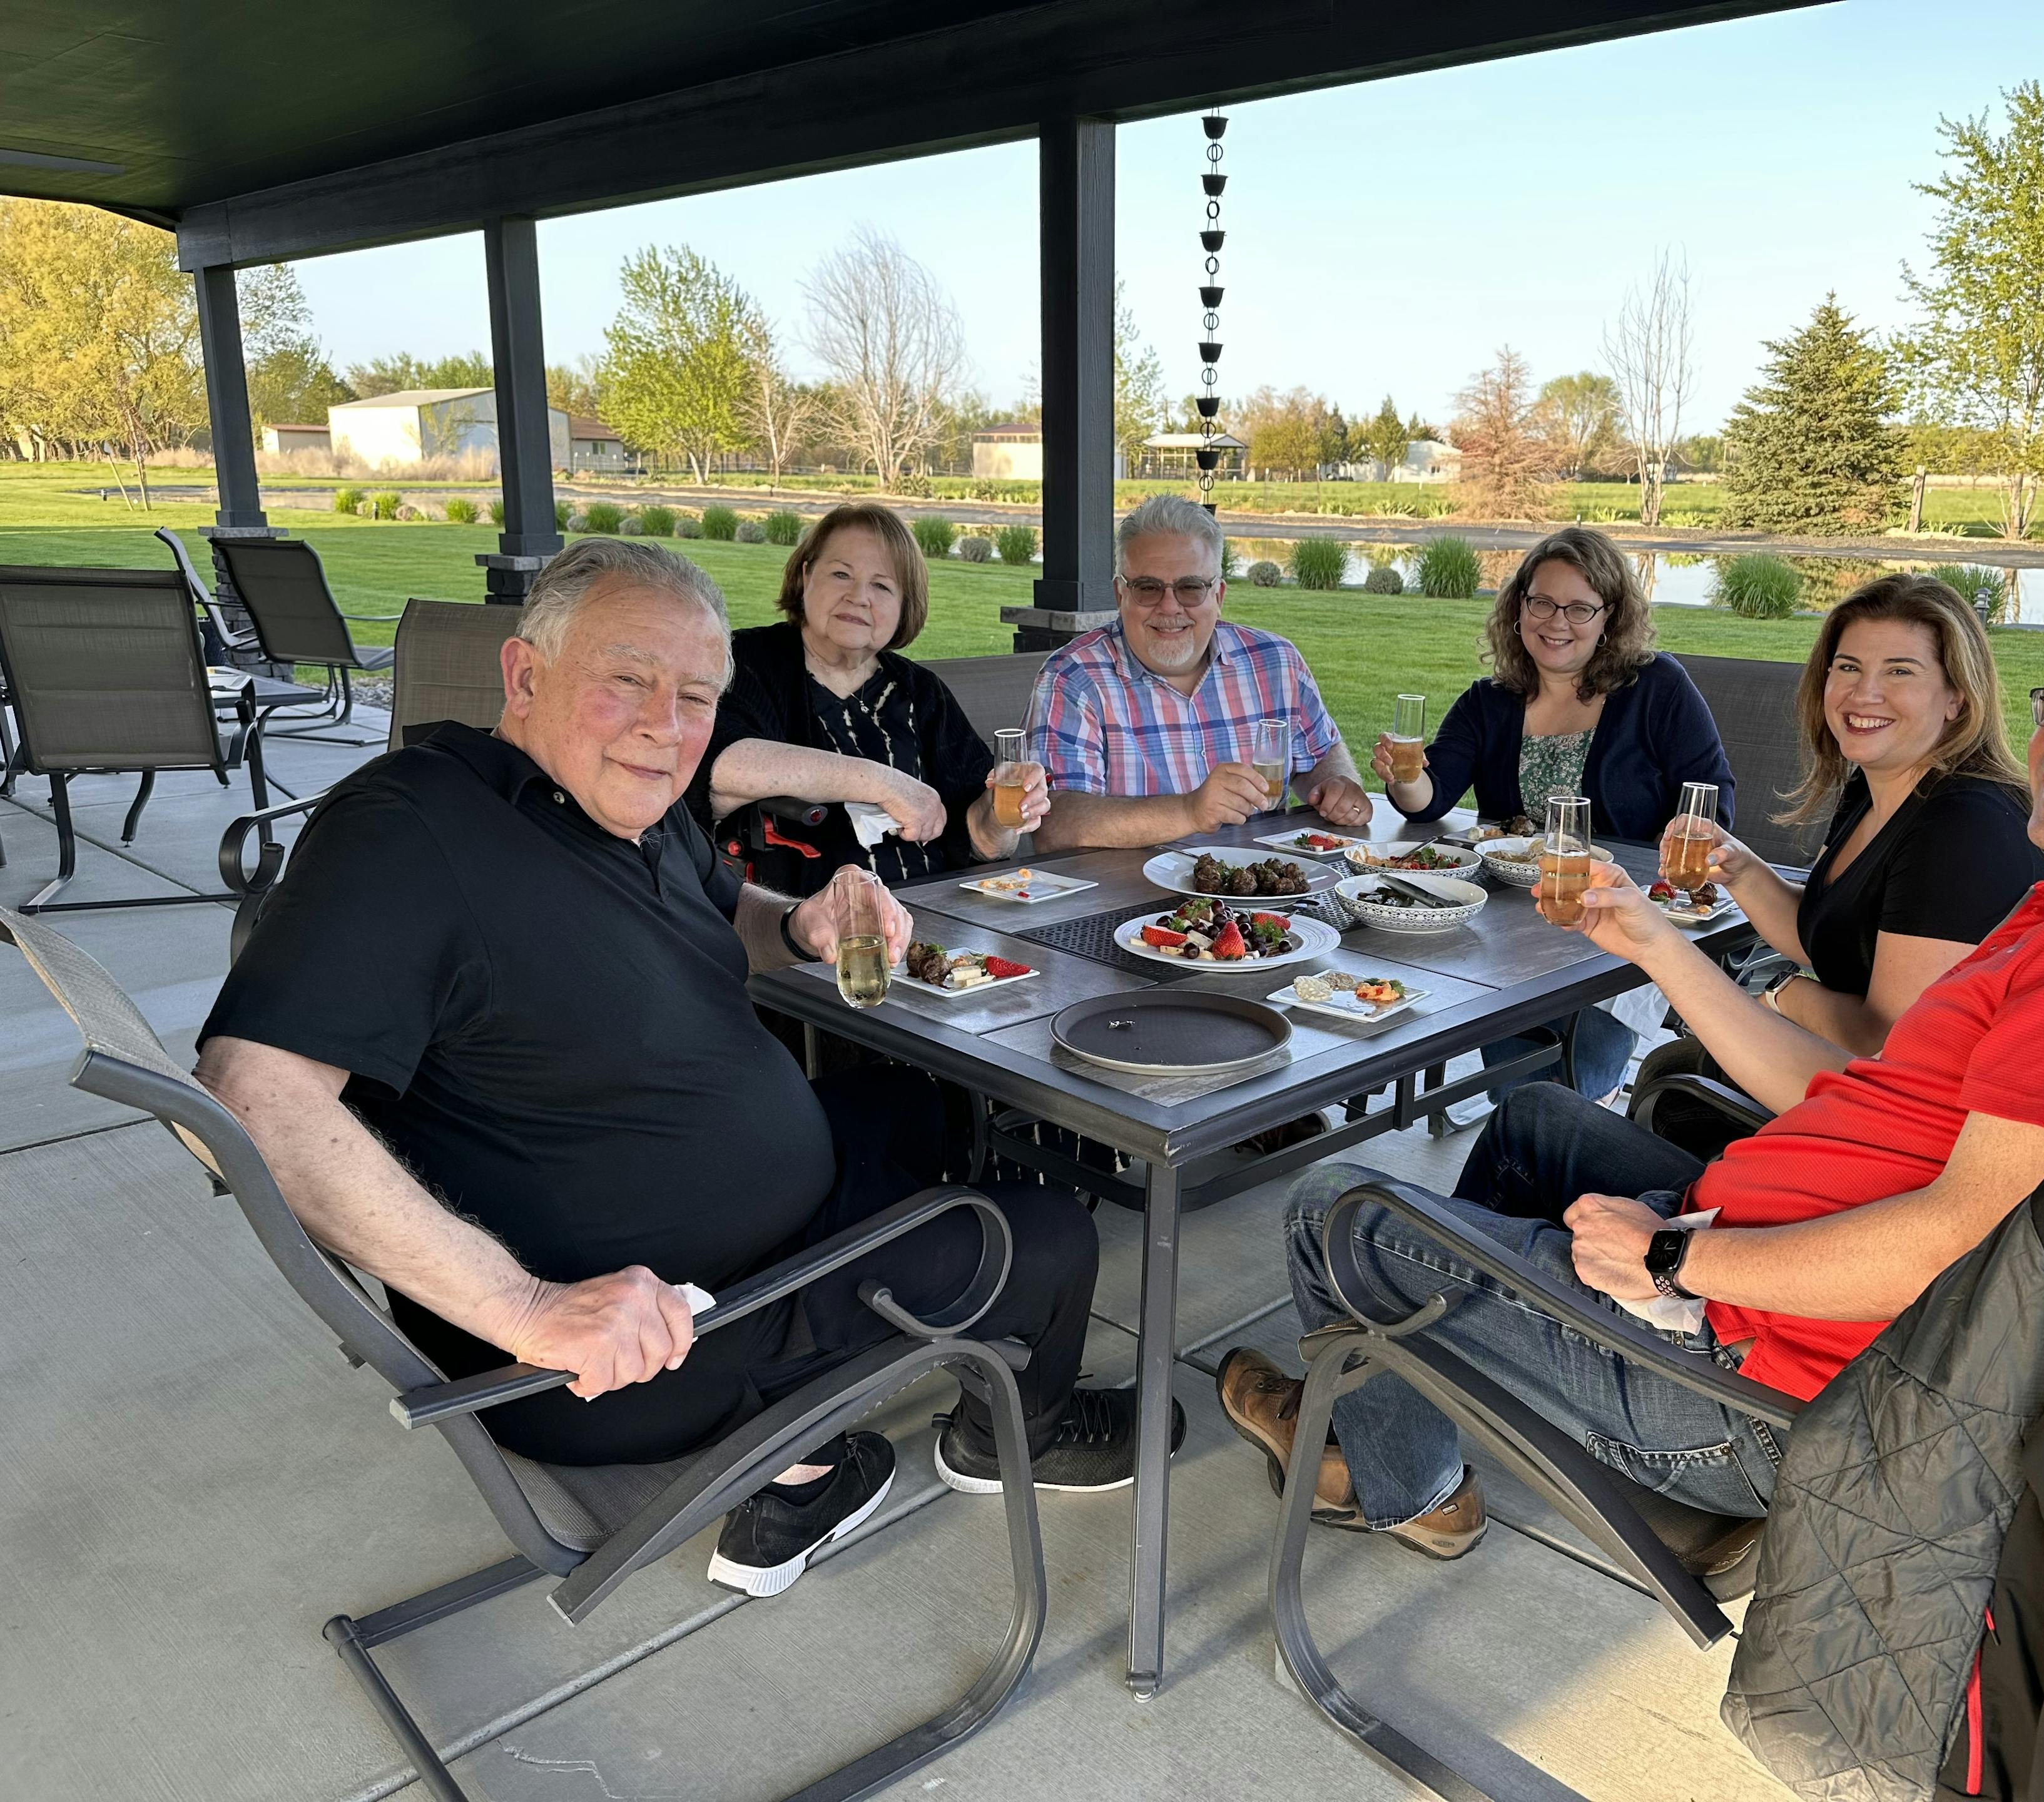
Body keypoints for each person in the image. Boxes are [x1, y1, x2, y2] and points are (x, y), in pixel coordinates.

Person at [1218, 587, 2044, 1557]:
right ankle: (1414, 1404)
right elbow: (1846, 1092)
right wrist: (1656, 943)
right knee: (1537, 1121)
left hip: (1760, 1399)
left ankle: (1402, 1483)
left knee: (1336, 1204)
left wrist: (1677, 1266)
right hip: (1759, 1283)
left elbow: (1962, 1246)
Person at [196, 539, 1167, 1605]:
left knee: (925, 1103)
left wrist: (800, 923)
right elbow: (249, 1099)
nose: (667, 726)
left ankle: (807, 1454)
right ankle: (999, 1430)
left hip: (722, 1222)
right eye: (628, 682)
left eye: (697, 696)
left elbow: (724, 922)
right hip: (644, 1338)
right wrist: (525, 1309)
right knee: (1050, 1232)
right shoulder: (412, 829)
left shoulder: (634, 808)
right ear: (524, 676)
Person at [1633, 573, 2044, 1150]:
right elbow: (1829, 940)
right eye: (1848, 667)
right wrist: (1743, 868)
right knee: (1667, 1069)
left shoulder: (1965, 828)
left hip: (1881, 1143)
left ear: (1957, 695)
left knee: (1553, 1118)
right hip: (1836, 1091)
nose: (1863, 695)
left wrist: (1785, 995)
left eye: (1900, 671)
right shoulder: (1876, 788)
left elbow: (1884, 1042)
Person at [1372, 526, 1736, 1099]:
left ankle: (1570, 1111)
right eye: (1541, 601)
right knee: (1523, 1091)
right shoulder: (1489, 701)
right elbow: (1430, 799)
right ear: (1520, 608)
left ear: (1609, 618)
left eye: (1579, 607)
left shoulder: (1658, 688)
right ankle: (1535, 1117)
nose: (1556, 621)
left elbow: (1713, 797)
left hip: (1620, 911)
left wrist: (1665, 866)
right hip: (1517, 917)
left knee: (1566, 1090)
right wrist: (1407, 776)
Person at [692, 502, 1047, 895]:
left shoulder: (920, 691)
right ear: (807, 577)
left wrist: (1006, 813)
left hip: (938, 922)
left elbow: (982, 844)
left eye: (882, 585)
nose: (859, 596)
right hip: (809, 931)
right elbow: (719, 765)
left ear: (902, 606)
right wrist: (886, 784)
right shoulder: (748, 661)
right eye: (841, 574)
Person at [1027, 494, 1374, 849]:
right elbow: (1056, 824)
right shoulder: (1073, 678)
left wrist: (1337, 785)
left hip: (1264, 890)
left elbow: (1321, 754)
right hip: (1133, 894)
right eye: (1148, 588)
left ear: (1219, 596)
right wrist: (1189, 811)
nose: (1169, 607)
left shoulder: (1276, 662)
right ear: (1120, 595)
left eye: (1190, 588)